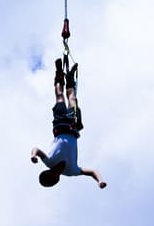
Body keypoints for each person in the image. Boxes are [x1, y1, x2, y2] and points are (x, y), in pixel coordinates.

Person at [33, 55, 107, 189]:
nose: (53, 176)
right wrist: (100, 181)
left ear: (47, 173)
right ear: (56, 180)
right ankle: (70, 78)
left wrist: (33, 156)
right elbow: (91, 172)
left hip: (60, 124)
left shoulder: (49, 162)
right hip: (73, 127)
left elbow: (36, 149)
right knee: (72, 98)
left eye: (49, 177)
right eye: (52, 180)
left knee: (60, 96)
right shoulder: (71, 171)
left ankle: (59, 74)